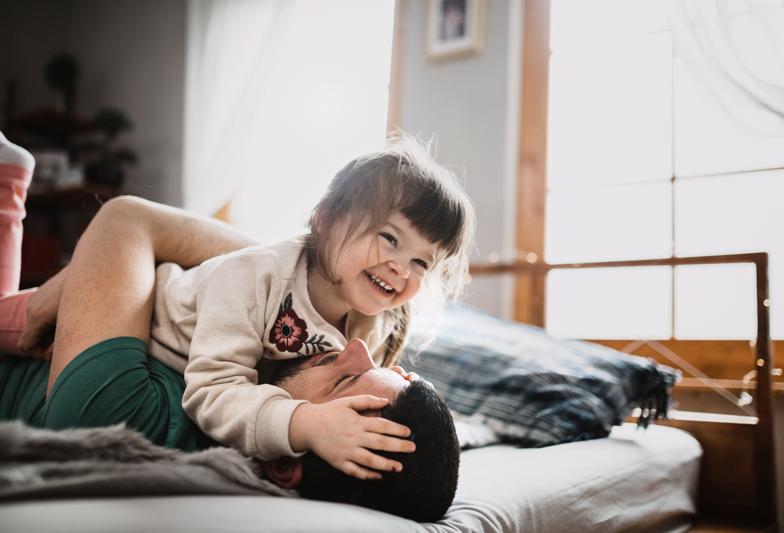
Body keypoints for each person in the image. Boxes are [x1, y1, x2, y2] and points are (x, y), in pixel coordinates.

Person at [0, 132, 464, 521]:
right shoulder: (262, 281)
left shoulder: (115, 418)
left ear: (284, 465)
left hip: (98, 313)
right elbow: (264, 272)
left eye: (421, 262)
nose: (353, 350)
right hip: (165, 293)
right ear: (325, 219)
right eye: (389, 239)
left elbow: (127, 221)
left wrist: (300, 422)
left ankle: (9, 190)